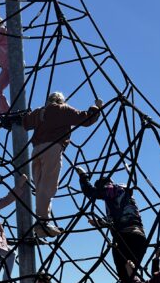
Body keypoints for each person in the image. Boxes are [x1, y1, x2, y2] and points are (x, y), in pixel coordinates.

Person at [19, 92, 103, 237]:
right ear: (60, 100)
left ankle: (41, 222)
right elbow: (86, 119)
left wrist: (19, 116)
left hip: (36, 150)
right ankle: (42, 223)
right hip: (52, 148)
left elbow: (25, 122)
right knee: (48, 185)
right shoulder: (63, 109)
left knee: (40, 186)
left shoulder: (40, 111)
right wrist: (97, 107)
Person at [76, 168, 148, 283]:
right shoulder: (125, 196)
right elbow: (118, 218)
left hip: (126, 237)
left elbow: (92, 193)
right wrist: (100, 223)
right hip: (139, 237)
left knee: (125, 275)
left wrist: (83, 177)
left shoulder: (114, 189)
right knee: (128, 274)